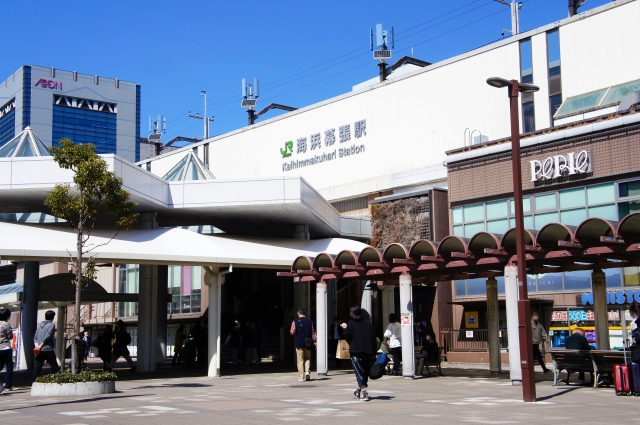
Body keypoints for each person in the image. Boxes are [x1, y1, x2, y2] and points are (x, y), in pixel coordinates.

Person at [341, 306, 376, 401]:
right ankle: (358, 390)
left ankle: (364, 392)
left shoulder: (351, 323)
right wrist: (374, 352)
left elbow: (347, 335)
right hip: (368, 351)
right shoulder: (368, 323)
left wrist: (345, 328)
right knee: (364, 372)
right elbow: (373, 339)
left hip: (356, 351)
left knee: (359, 372)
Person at [289, 307, 316, 382]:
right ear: (305, 313)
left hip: (299, 342)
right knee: (307, 357)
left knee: (300, 360)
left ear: (298, 313)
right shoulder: (310, 321)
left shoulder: (295, 322)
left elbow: (292, 332)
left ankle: (301, 377)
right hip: (308, 342)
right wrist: (315, 342)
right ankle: (307, 371)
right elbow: (313, 333)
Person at [32, 310, 59, 383]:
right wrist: (41, 346)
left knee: (38, 367)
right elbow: (48, 336)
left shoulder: (39, 326)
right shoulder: (51, 325)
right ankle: (57, 382)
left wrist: (37, 346)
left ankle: (33, 382)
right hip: (48, 349)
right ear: (53, 317)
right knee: (54, 366)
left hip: (39, 350)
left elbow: (35, 337)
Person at [0, 308, 15, 393]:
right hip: (5, 347)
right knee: (9, 366)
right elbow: (10, 336)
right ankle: (8, 385)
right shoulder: (6, 324)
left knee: (0, 366)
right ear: (7, 316)